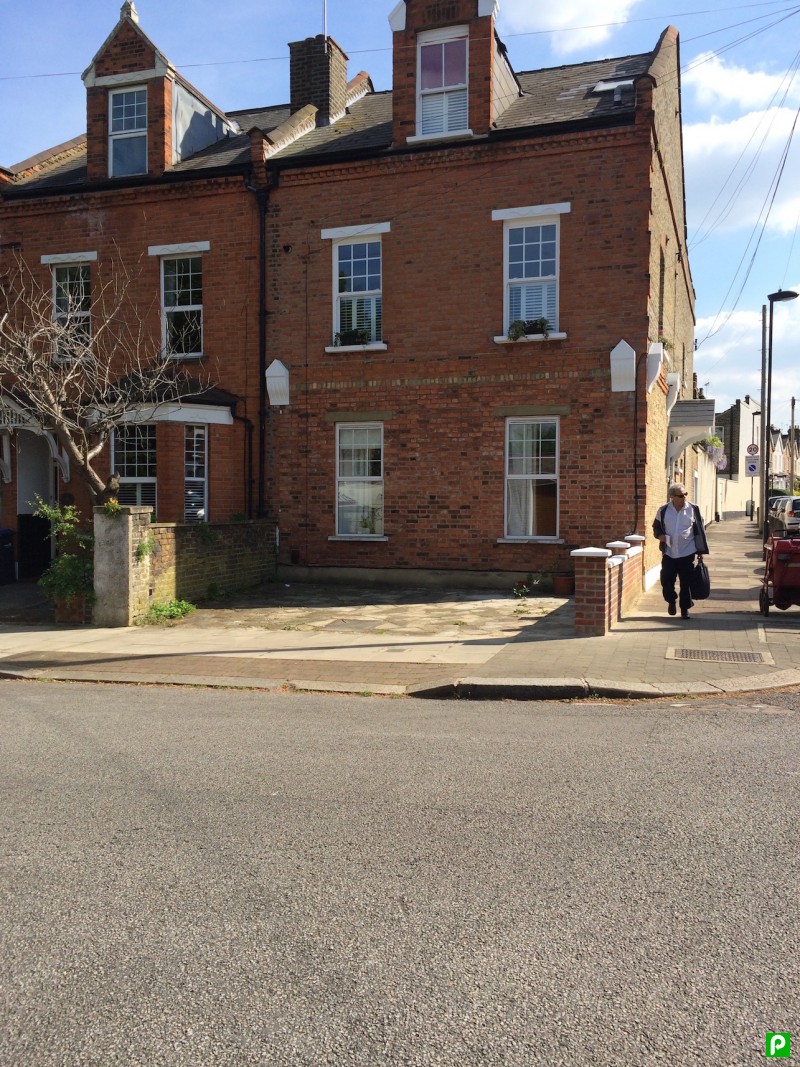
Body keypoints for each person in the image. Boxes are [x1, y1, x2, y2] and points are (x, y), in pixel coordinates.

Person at [652, 483, 709, 619]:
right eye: (680, 495)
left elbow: (699, 531)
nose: (684, 497)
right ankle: (671, 601)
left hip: (687, 552)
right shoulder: (663, 510)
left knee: (686, 582)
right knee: (667, 580)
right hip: (669, 553)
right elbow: (656, 527)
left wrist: (700, 551)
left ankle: (684, 608)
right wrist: (661, 536)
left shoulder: (693, 509)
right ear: (672, 497)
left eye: (685, 494)